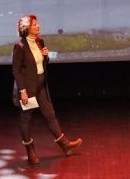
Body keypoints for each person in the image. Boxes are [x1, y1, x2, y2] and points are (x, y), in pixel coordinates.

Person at [12, 14, 82, 166]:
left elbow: (41, 63)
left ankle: (65, 145)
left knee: (50, 115)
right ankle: (31, 152)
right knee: (26, 118)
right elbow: (16, 70)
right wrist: (22, 91)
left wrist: (46, 57)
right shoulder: (20, 46)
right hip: (28, 88)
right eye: (35, 24)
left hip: (41, 85)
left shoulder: (39, 42)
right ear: (27, 28)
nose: (38, 26)